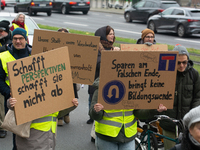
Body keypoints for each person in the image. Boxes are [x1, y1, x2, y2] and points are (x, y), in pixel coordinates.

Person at [0, 28, 78, 150]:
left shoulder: (35, 53)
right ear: (12, 39)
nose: (18, 41)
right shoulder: (3, 56)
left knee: (28, 133)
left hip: (35, 99)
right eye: (15, 39)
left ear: (26, 39)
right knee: (18, 132)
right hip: (13, 99)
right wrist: (9, 92)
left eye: (21, 38)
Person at [89, 77, 166, 150]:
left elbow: (138, 113)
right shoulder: (102, 86)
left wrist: (154, 110)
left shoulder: (134, 87)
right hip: (107, 137)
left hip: (128, 137)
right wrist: (97, 111)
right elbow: (93, 114)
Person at [158, 44, 200, 150]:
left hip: (187, 126)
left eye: (184, 62)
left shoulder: (194, 75)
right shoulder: (165, 74)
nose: (181, 65)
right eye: (178, 63)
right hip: (169, 125)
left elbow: (197, 97)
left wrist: (192, 116)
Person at [87, 25, 120, 124]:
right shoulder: (95, 48)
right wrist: (111, 55)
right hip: (96, 81)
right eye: (110, 34)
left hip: (110, 82)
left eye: (113, 34)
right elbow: (98, 64)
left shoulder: (113, 48)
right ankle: (92, 115)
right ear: (103, 35)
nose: (112, 36)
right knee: (93, 100)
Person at [57, 28, 79, 126]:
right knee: (59, 96)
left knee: (69, 96)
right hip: (58, 76)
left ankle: (67, 114)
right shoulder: (54, 47)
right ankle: (60, 117)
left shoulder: (72, 48)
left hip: (70, 77)